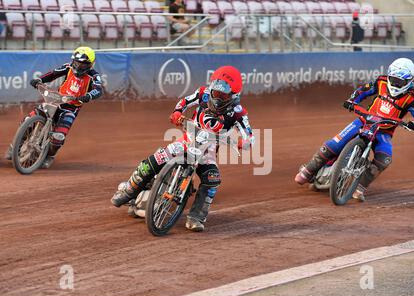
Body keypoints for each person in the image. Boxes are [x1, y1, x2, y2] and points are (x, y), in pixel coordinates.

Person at [111, 66, 255, 232]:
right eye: (216, 92)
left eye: (222, 95)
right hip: (187, 139)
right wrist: (177, 112)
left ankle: (196, 217)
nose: (216, 97)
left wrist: (241, 143)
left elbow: (250, 136)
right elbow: (184, 102)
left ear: (233, 95)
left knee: (212, 178)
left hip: (207, 150)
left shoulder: (239, 113)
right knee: (156, 158)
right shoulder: (203, 93)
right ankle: (129, 190)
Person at [294, 58, 414, 201]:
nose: (395, 84)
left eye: (400, 82)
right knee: (334, 144)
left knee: (384, 159)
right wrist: (352, 101)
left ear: (409, 81)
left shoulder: (412, 97)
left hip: (384, 132)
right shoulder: (381, 81)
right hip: (363, 121)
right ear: (389, 75)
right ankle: (308, 171)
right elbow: (363, 91)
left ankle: (360, 188)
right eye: (393, 79)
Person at [5, 46, 103, 168]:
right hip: (56, 100)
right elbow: (53, 74)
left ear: (90, 64)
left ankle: (49, 156)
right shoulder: (68, 67)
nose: (78, 66)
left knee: (58, 137)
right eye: (76, 62)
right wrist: (40, 80)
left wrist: (88, 96)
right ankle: (14, 147)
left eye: (82, 64)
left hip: (71, 108)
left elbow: (98, 90)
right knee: (27, 121)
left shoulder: (94, 76)